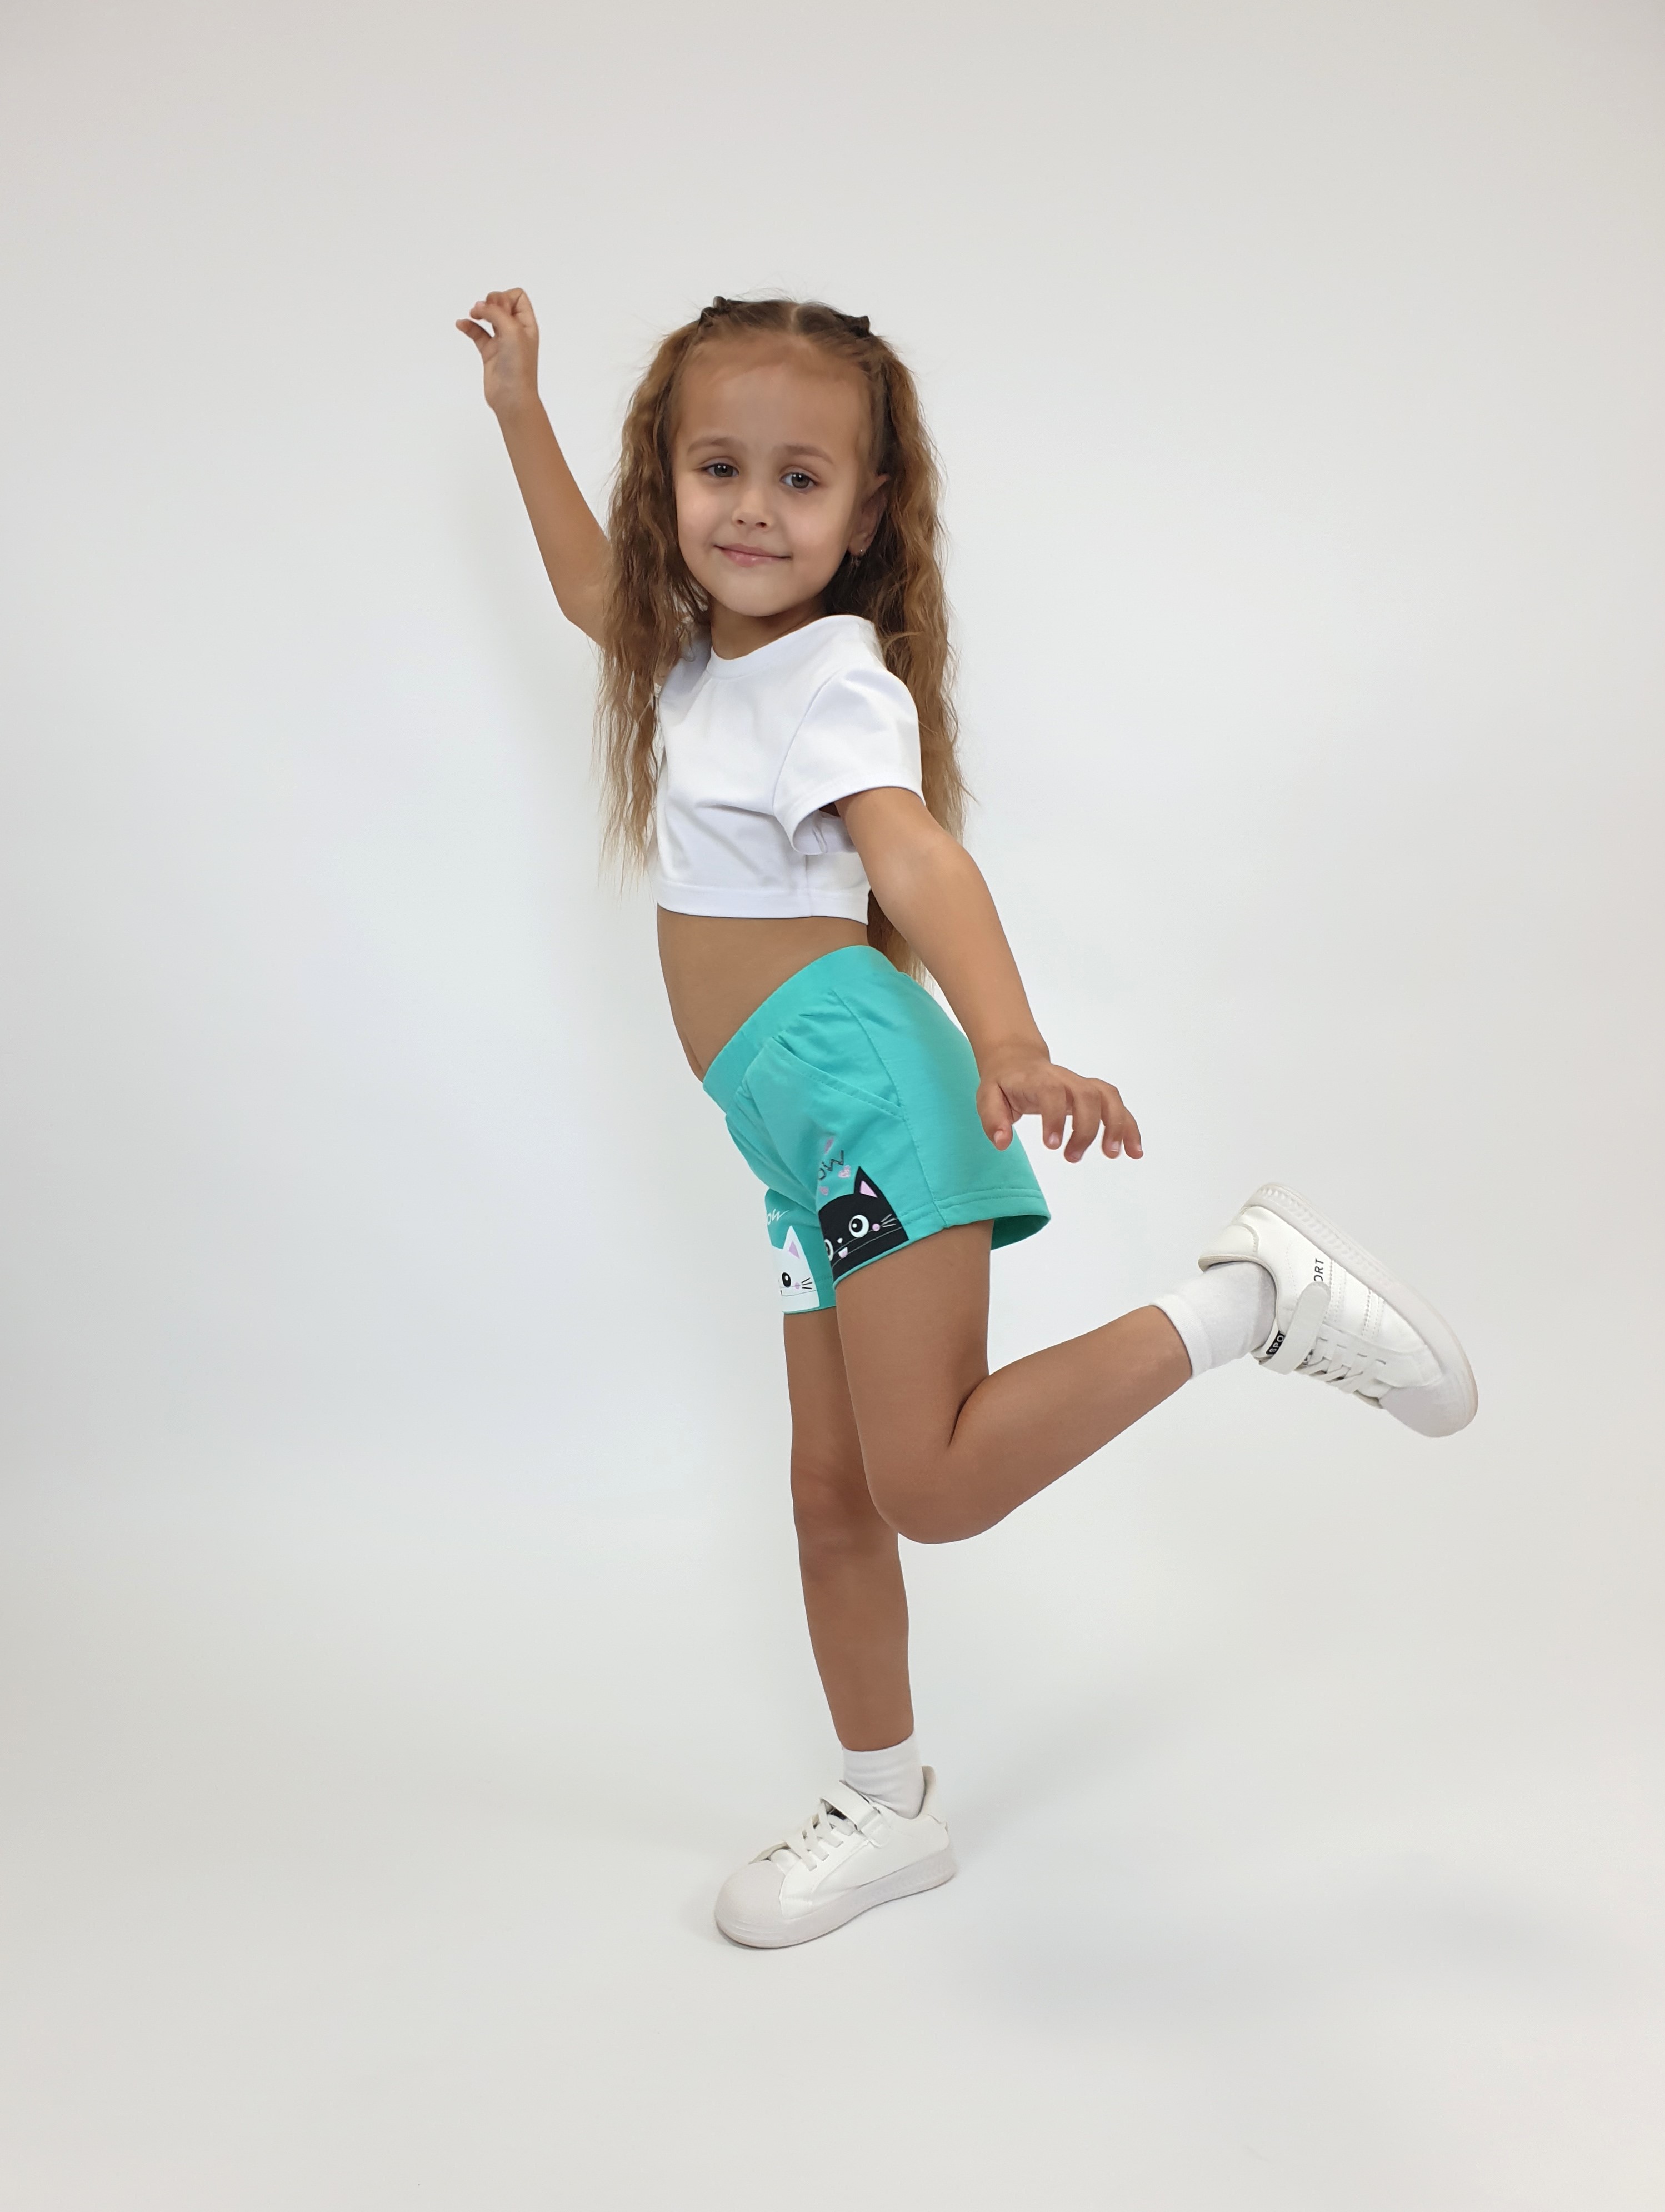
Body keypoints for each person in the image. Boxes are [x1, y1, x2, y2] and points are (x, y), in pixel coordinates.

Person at [456, 288, 1478, 1949]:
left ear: (867, 516)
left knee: (925, 1482)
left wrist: (1010, 1039)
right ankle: (888, 1807)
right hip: (794, 1136)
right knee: (832, 1492)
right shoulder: (702, 661)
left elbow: (915, 852)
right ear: (670, 485)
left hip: (869, 1094)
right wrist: (519, 408)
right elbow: (590, 591)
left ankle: (1249, 1303)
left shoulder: (832, 679)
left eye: (801, 480)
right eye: (720, 468)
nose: (754, 509)